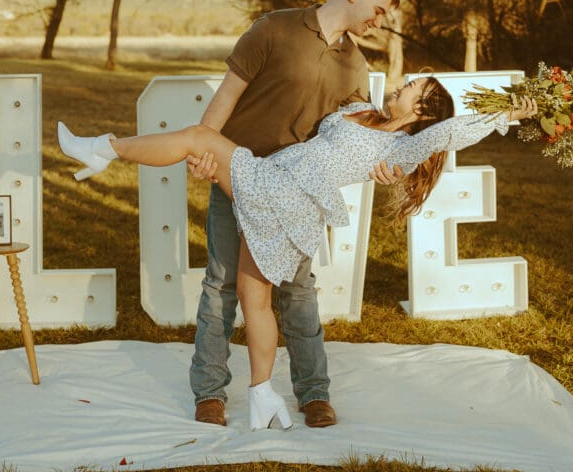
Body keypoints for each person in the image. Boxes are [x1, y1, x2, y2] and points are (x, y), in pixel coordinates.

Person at [58, 79, 537, 430]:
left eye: (412, 86)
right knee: (254, 299)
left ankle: (104, 148)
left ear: (422, 108)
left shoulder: (405, 143)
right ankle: (262, 394)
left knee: (199, 137)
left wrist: (511, 114)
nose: (401, 83)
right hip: (283, 195)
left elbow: (452, 133)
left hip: (283, 193)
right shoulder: (366, 113)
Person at [187, 0, 401, 430]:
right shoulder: (274, 30)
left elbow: (361, 134)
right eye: (379, 9)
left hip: (295, 194)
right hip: (237, 176)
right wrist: (204, 147)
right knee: (221, 282)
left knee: (298, 291)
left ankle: (313, 394)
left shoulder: (355, 66)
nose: (378, 22)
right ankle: (209, 394)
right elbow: (226, 96)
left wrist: (381, 163)